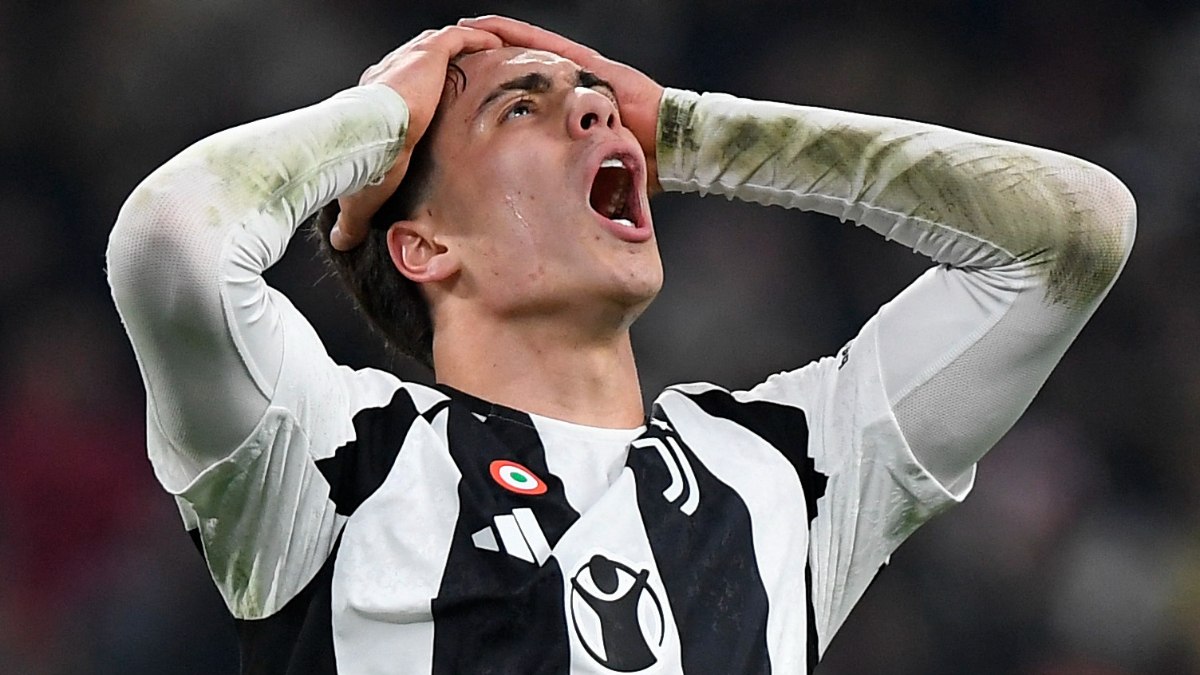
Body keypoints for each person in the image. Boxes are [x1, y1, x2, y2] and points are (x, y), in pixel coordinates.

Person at [106, 15, 1136, 674]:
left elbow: (1074, 234)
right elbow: (171, 242)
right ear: (425, 244)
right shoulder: (336, 459)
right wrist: (378, 118)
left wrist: (696, 132)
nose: (596, 112)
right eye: (522, 106)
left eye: (598, 103)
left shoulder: (782, 470)